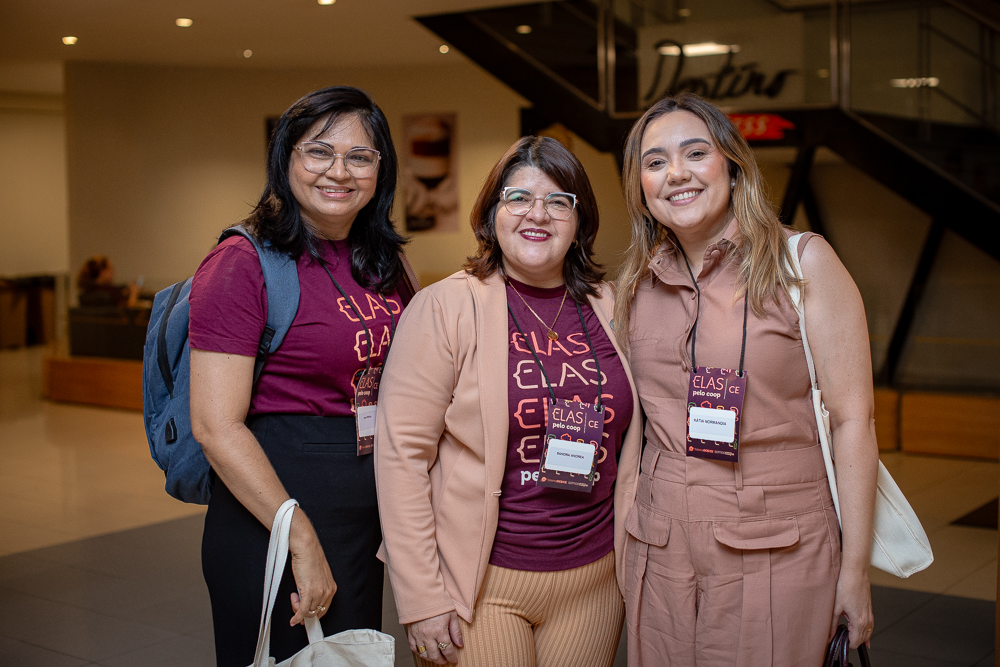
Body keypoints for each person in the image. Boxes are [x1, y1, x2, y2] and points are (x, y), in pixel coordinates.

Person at [614, 92, 878, 666]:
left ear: (732, 166)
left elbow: (853, 421)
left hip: (777, 547)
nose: (676, 173)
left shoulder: (802, 263)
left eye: (695, 153)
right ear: (639, 186)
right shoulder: (635, 285)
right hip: (660, 549)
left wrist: (855, 571)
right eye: (655, 162)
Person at [375, 136, 643, 667]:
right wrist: (422, 596)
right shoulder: (445, 307)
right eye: (518, 198)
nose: (537, 214)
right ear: (491, 213)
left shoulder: (614, 305)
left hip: (595, 581)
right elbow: (401, 455)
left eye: (558, 201)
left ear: (580, 220)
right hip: (481, 586)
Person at [188, 86, 417, 667]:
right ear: (285, 158)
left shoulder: (382, 262)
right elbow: (215, 426)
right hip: (274, 515)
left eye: (360, 156)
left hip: (358, 518)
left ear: (381, 169)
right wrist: (300, 538)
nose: (339, 172)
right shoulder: (242, 263)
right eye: (319, 152)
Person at [76, 256, 140, 307]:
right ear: (102, 272)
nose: (113, 272)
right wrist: (134, 292)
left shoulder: (87, 291)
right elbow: (130, 310)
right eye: (110, 269)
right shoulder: (110, 292)